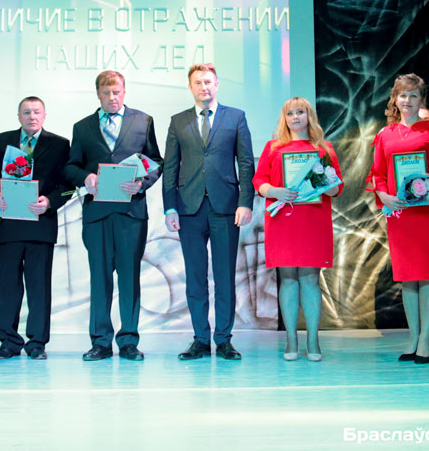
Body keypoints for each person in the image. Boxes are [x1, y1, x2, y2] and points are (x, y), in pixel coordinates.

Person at [64, 71, 163, 361]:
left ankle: (129, 341)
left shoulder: (143, 121)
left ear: (124, 91)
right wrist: (85, 178)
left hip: (131, 213)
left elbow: (156, 161)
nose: (112, 97)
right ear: (98, 94)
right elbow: (70, 166)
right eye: (106, 93)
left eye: (116, 92)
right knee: (100, 278)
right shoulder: (82, 127)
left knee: (130, 277)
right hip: (97, 214)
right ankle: (100, 342)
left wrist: (142, 183)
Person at [162, 63, 255, 360]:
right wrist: (170, 207)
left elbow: (246, 163)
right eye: (198, 82)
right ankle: (200, 339)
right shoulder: (178, 121)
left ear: (217, 85)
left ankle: (224, 339)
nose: (204, 87)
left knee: (225, 277)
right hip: (189, 209)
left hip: (226, 208)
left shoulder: (236, 117)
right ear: (190, 87)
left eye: (208, 82)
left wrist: (245, 202)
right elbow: (170, 167)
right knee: (195, 277)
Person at [368, 74, 429, 364]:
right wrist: (384, 196)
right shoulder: (385, 134)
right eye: (403, 95)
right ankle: (412, 338)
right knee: (407, 276)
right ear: (395, 99)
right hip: (401, 212)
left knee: (428, 274)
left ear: (422, 101)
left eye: (413, 95)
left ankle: (425, 341)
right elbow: (377, 174)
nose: (407, 100)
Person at [252, 97, 343, 361]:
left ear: (309, 116)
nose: (295, 117)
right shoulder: (273, 147)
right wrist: (274, 191)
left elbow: (337, 188)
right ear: (284, 118)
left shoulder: (323, 148)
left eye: (300, 112)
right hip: (283, 220)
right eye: (290, 113)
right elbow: (259, 180)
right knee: (288, 278)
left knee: (310, 279)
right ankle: (291, 341)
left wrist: (325, 182)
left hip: (312, 220)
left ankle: (313, 341)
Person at [0, 96, 71, 360]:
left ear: (44, 115)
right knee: (7, 287)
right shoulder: (1, 141)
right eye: (26, 112)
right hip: (8, 225)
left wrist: (50, 202)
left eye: (36, 112)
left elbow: (68, 186)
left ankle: (37, 343)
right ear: (18, 115)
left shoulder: (60, 144)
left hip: (40, 225)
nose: (32, 116)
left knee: (39, 287)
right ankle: (8, 342)